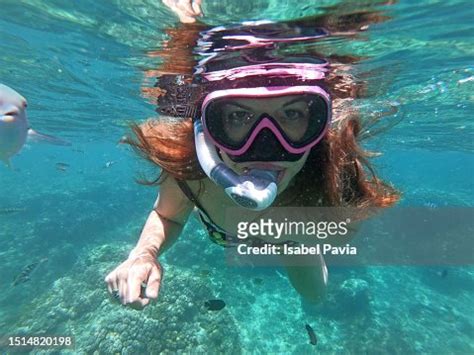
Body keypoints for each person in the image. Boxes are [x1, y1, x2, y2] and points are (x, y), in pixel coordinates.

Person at [105, 1, 399, 310]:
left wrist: (297, 235)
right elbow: (167, 215)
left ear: (317, 127)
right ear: (207, 130)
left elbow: (344, 230)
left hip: (293, 243)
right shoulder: (192, 168)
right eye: (237, 118)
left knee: (314, 296)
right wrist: (143, 254)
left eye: (293, 115)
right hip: (228, 233)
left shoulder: (332, 172)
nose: (266, 147)